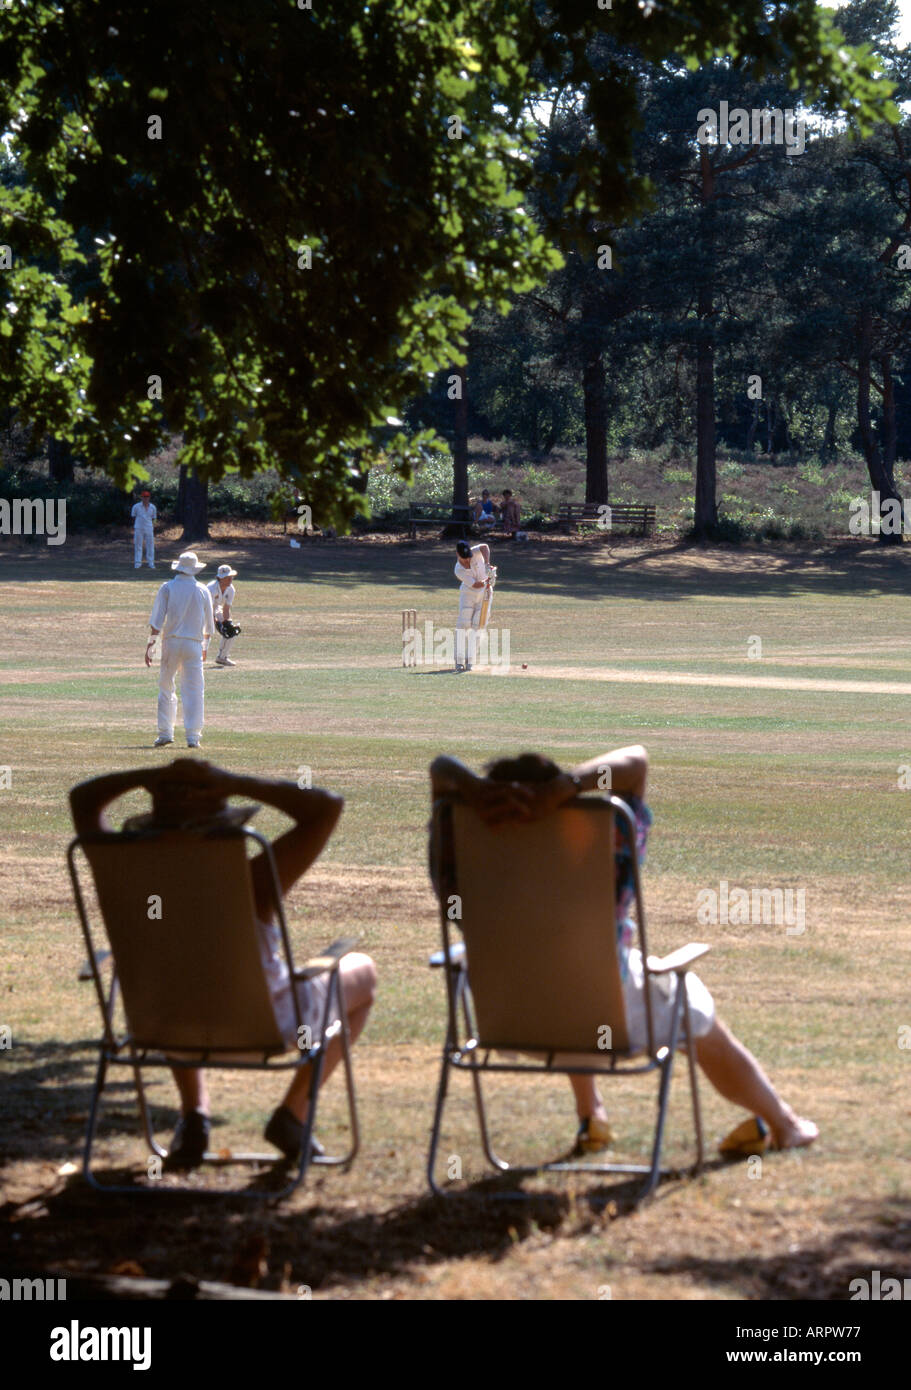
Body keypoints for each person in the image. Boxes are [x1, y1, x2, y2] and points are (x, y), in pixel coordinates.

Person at [428, 746, 818, 1159]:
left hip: (505, 1023)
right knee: (680, 996)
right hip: (608, 1027)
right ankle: (785, 1124)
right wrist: (569, 786)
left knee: (559, 973)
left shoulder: (456, 853)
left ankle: (591, 1114)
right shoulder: (607, 841)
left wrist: (474, 789)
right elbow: (636, 763)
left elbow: (441, 770)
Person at [68, 759, 377, 1168]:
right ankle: (293, 1115)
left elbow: (83, 799)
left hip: (161, 1028)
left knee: (177, 981)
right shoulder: (255, 883)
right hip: (270, 1029)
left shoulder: (120, 875)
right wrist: (233, 781)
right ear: (225, 824)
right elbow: (325, 807)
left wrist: (148, 776)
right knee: (363, 971)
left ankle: (194, 1114)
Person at [145, 551, 214, 750]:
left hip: (171, 643)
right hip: (194, 643)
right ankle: (193, 737)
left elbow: (157, 622)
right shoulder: (202, 590)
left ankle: (166, 733)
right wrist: (205, 648)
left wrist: (151, 648)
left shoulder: (168, 587)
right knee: (194, 690)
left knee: (166, 686)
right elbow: (209, 626)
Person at [453, 540, 495, 672]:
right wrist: (488, 580)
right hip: (468, 593)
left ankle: (470, 660)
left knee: (478, 625)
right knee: (464, 624)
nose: (467, 561)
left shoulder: (475, 551)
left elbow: (485, 546)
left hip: (485, 593)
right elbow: (476, 585)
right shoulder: (458, 569)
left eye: (468, 558)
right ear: (457, 555)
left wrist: (487, 564)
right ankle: (459, 661)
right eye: (464, 559)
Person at [207, 563, 239, 667]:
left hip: (216, 608)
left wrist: (226, 622)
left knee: (231, 630)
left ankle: (222, 657)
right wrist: (217, 623)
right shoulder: (211, 588)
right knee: (202, 634)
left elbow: (226, 608)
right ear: (219, 578)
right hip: (202, 609)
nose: (230, 579)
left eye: (231, 577)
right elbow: (208, 609)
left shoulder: (231, 589)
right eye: (227, 577)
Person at [131, 490, 157, 570]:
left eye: (147, 497)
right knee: (138, 545)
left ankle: (151, 563)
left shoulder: (153, 507)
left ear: (149, 497)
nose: (145, 498)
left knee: (150, 546)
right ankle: (138, 563)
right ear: (141, 497)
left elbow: (154, 518)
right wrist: (137, 525)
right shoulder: (136, 506)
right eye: (144, 497)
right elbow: (133, 516)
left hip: (149, 528)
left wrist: (152, 525)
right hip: (138, 528)